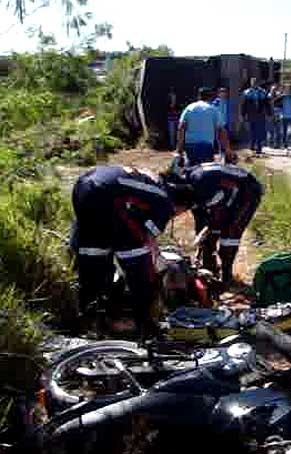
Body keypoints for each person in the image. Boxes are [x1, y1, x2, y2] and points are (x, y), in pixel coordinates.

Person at [70, 165, 194, 339]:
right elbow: (147, 238)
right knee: (139, 267)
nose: (178, 216)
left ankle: (90, 322)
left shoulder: (149, 182)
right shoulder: (165, 201)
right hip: (107, 194)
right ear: (180, 205)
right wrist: (153, 262)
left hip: (82, 187)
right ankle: (144, 325)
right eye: (181, 212)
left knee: (93, 257)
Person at [186, 162, 263, 286]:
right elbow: (201, 216)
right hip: (227, 192)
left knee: (230, 232)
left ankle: (226, 277)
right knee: (208, 234)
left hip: (247, 192)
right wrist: (202, 235)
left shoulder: (201, 184)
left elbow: (219, 208)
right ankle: (209, 269)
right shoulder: (191, 184)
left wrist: (210, 228)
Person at [177, 87, 233, 166]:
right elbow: (221, 131)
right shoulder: (213, 110)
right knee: (205, 171)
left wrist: (179, 148)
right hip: (206, 146)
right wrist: (227, 149)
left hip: (190, 146)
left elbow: (181, 128)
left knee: (191, 171)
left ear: (199, 96)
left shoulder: (189, 108)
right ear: (210, 97)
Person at [242, 77, 269, 154]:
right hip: (250, 114)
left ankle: (259, 148)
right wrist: (243, 115)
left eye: (256, 82)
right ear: (250, 83)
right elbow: (244, 105)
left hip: (260, 114)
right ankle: (252, 146)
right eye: (253, 82)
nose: (254, 83)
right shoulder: (247, 92)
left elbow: (266, 104)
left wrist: (268, 113)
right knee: (252, 131)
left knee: (259, 131)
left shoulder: (262, 92)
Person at [211, 87, 231, 158]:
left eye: (224, 92)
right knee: (218, 139)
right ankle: (218, 153)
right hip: (218, 124)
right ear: (218, 94)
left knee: (226, 139)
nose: (223, 94)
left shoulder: (227, 102)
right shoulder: (215, 103)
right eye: (221, 92)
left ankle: (225, 154)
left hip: (225, 123)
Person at [267, 84, 283, 148]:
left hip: (278, 114)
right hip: (270, 115)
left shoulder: (279, 96)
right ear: (271, 90)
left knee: (278, 130)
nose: (274, 91)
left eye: (275, 89)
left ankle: (278, 144)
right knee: (270, 130)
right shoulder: (268, 96)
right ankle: (270, 144)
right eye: (273, 90)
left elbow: (281, 104)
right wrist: (277, 97)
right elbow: (270, 102)